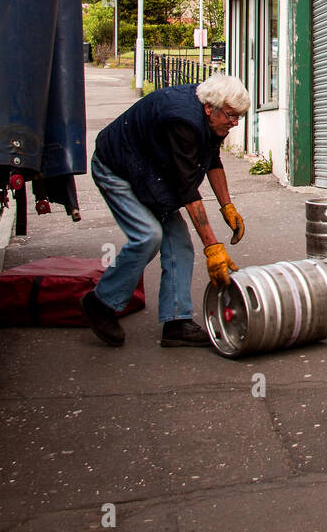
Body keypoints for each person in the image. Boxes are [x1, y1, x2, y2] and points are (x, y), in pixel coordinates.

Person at [81, 74, 250, 349]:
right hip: (117, 167)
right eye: (231, 116)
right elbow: (185, 188)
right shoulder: (182, 121)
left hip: (152, 172)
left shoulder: (210, 118)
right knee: (148, 236)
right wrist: (213, 247)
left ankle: (177, 323)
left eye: (239, 116)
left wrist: (226, 206)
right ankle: (100, 302)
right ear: (210, 108)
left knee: (180, 246)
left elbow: (212, 159)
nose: (235, 123)